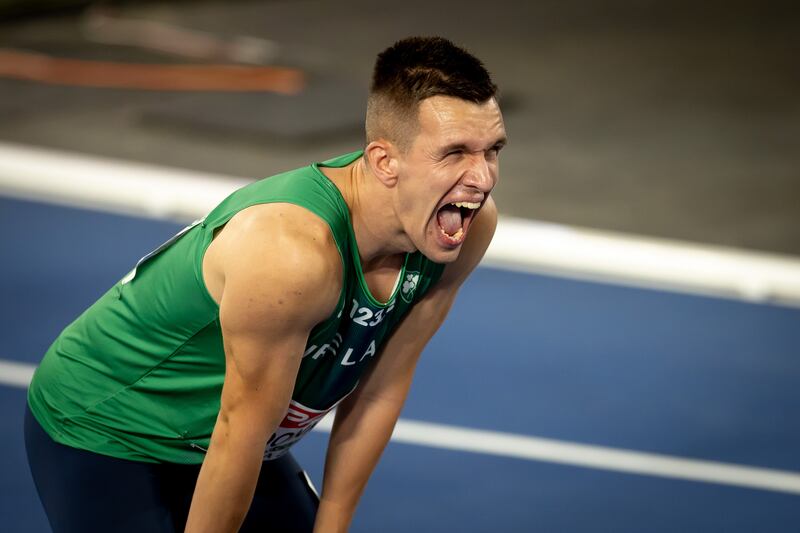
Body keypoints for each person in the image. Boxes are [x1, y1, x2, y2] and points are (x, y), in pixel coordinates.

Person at [24, 35, 507, 533]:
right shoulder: (291, 257)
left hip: (230, 434)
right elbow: (237, 434)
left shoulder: (464, 229)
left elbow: (380, 389)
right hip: (108, 427)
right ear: (385, 161)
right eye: (454, 153)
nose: (482, 177)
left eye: (492, 151)